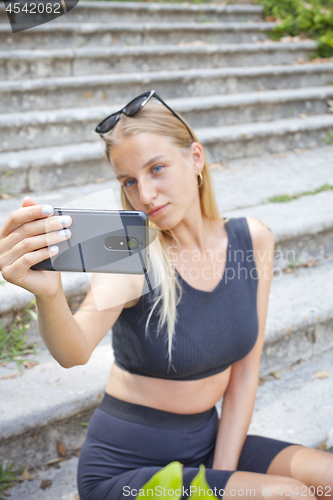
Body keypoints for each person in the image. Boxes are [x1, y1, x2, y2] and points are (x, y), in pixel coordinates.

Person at [0, 91, 332, 500]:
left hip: (209, 447)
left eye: (157, 168)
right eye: (129, 181)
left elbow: (245, 374)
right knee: (289, 494)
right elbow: (74, 351)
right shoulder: (130, 253)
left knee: (325, 479)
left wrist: (222, 478)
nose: (146, 195)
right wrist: (48, 294)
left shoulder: (253, 240)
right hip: (126, 470)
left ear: (195, 159)